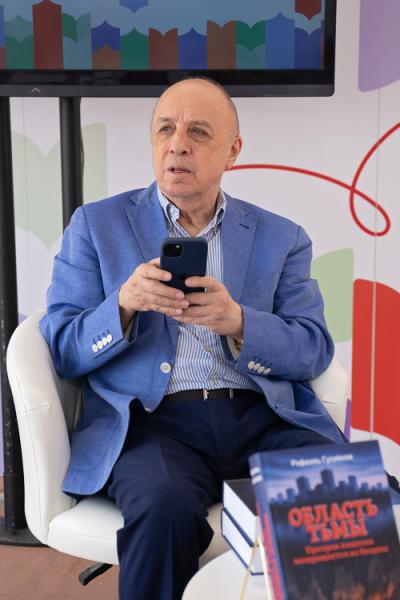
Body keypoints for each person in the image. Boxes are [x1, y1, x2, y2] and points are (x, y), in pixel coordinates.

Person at [39, 77, 396, 600]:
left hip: (263, 418)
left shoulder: (281, 237)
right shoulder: (97, 225)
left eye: (198, 132)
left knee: (354, 493)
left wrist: (240, 323)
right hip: (153, 426)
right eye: (165, 129)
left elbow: (312, 347)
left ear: (233, 150)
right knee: (164, 508)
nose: (177, 144)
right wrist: (123, 305)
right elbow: (63, 348)